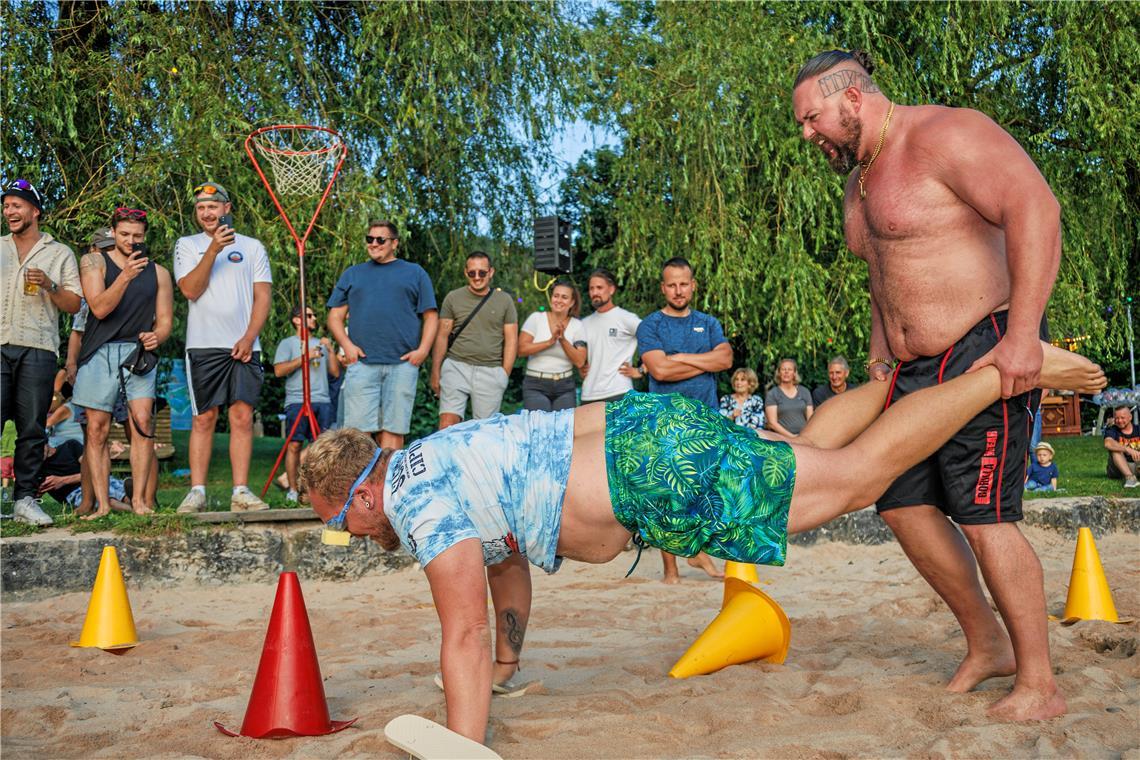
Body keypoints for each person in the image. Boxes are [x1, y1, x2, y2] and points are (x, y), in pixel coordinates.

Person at [300, 343, 1104, 749]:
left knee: (849, 483)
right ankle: (903, 384)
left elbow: (462, 629)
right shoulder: (436, 458)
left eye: (342, 515)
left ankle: (1003, 374)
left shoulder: (411, 498)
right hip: (641, 435)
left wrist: (463, 744)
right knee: (816, 462)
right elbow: (503, 577)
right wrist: (507, 670)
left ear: (362, 491)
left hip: (645, 472)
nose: (349, 531)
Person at [793, 48, 1066, 720]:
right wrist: (880, 353)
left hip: (981, 351)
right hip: (908, 373)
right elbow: (882, 273)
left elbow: (1037, 208)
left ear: (850, 97)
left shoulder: (947, 135)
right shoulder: (858, 184)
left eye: (811, 118)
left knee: (983, 516)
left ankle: (1040, 683)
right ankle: (987, 644)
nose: (807, 134)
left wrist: (1024, 336)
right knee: (901, 504)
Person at [173, 182, 272, 513]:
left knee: (242, 416)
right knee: (204, 418)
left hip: (244, 344)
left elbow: (263, 296)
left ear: (226, 208)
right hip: (203, 345)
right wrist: (213, 250)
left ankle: (240, 491)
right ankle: (197, 492)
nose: (207, 212)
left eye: (213, 206)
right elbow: (190, 290)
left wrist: (249, 337)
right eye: (201, 207)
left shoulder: (252, 247)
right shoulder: (187, 246)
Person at [637, 256, 733, 582]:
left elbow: (726, 359)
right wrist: (703, 362)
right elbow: (659, 369)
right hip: (667, 418)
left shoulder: (708, 323)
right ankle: (671, 570)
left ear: (693, 285)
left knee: (703, 489)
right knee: (668, 493)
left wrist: (680, 359)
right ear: (663, 287)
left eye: (683, 284)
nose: (678, 290)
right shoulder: (650, 325)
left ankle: (694, 552)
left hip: (706, 417)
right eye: (672, 285)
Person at [74, 207, 173, 518]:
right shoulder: (93, 262)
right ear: (113, 232)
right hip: (99, 351)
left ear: (145, 237)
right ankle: (103, 505)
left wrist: (158, 335)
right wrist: (127, 275)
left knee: (143, 425)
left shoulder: (159, 273)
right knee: (97, 430)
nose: (131, 240)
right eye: (125, 234)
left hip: (138, 354)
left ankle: (141, 502)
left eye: (137, 236)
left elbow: (166, 321)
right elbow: (100, 308)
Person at [1, 179, 83, 526]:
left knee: (32, 428)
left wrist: (49, 285)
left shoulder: (60, 252)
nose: (9, 212)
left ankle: (25, 500)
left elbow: (75, 303)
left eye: (16, 205)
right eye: (6, 207)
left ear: (34, 210)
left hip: (38, 349)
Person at [327, 221, 437, 450]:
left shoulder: (415, 273)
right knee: (356, 435)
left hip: (403, 364)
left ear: (394, 243)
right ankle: (358, 486)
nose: (374, 244)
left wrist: (423, 351)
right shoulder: (353, 274)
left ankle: (388, 484)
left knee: (394, 431)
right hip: (362, 363)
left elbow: (431, 316)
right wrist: (347, 345)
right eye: (370, 239)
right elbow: (334, 317)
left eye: (380, 240)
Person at [430, 251, 518, 429]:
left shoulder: (504, 300)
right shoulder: (453, 298)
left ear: (491, 272)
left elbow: (511, 340)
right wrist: (435, 371)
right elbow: (442, 336)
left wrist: (504, 374)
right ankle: (449, 458)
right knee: (447, 425)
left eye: (482, 273)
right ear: (466, 273)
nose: (477, 277)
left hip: (491, 370)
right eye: (472, 273)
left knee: (485, 430)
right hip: (456, 366)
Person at [274, 305, 341, 502]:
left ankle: (317, 492)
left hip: (322, 400)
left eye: (313, 315)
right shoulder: (288, 344)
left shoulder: (320, 344)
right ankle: (293, 490)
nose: (314, 318)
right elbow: (279, 371)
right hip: (297, 400)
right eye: (309, 315)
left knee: (321, 447)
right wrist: (305, 357)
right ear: (296, 320)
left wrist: (329, 349)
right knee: (294, 445)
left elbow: (335, 373)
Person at [518, 279, 587, 411]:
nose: (559, 300)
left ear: (572, 302)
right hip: (535, 384)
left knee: (563, 428)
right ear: (551, 298)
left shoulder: (577, 325)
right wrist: (549, 342)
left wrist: (562, 340)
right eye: (556, 296)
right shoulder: (536, 318)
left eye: (564, 297)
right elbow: (521, 350)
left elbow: (580, 361)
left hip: (565, 386)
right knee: (540, 426)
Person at [579, 268, 643, 404]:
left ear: (611, 290)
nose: (594, 292)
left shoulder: (626, 318)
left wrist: (642, 370)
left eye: (599, 288)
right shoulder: (583, 324)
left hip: (619, 392)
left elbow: (655, 339)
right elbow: (580, 356)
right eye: (591, 288)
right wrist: (580, 368)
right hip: (588, 395)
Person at [764, 358, 814, 436]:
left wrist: (805, 436)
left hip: (804, 437)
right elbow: (772, 423)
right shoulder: (773, 394)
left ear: (794, 373)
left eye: (789, 369)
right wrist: (792, 437)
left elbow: (811, 419)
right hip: (782, 439)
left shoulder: (805, 392)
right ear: (779, 373)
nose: (786, 372)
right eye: (783, 369)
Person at [1103, 406, 1140, 487]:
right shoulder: (1112, 430)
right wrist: (1127, 449)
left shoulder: (1138, 429)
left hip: (1136, 465)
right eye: (1116, 418)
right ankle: (1130, 478)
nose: (1119, 421)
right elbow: (1108, 443)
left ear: (1130, 417)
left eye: (1122, 418)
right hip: (1118, 468)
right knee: (1115, 449)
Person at [719, 367, 765, 432]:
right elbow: (719, 424)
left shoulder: (757, 401)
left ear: (750, 384)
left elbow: (759, 425)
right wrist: (732, 416)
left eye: (742, 380)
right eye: (736, 379)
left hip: (751, 438)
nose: (738, 382)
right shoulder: (726, 400)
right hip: (729, 437)